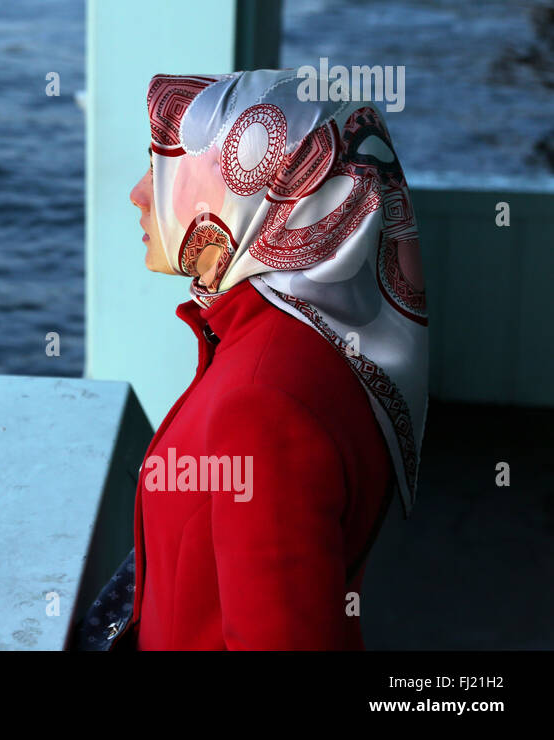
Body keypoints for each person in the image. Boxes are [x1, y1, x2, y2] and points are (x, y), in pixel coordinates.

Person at [77, 69, 429, 650]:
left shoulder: (264, 403)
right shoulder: (313, 340)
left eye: (164, 168)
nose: (139, 193)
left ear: (249, 193)